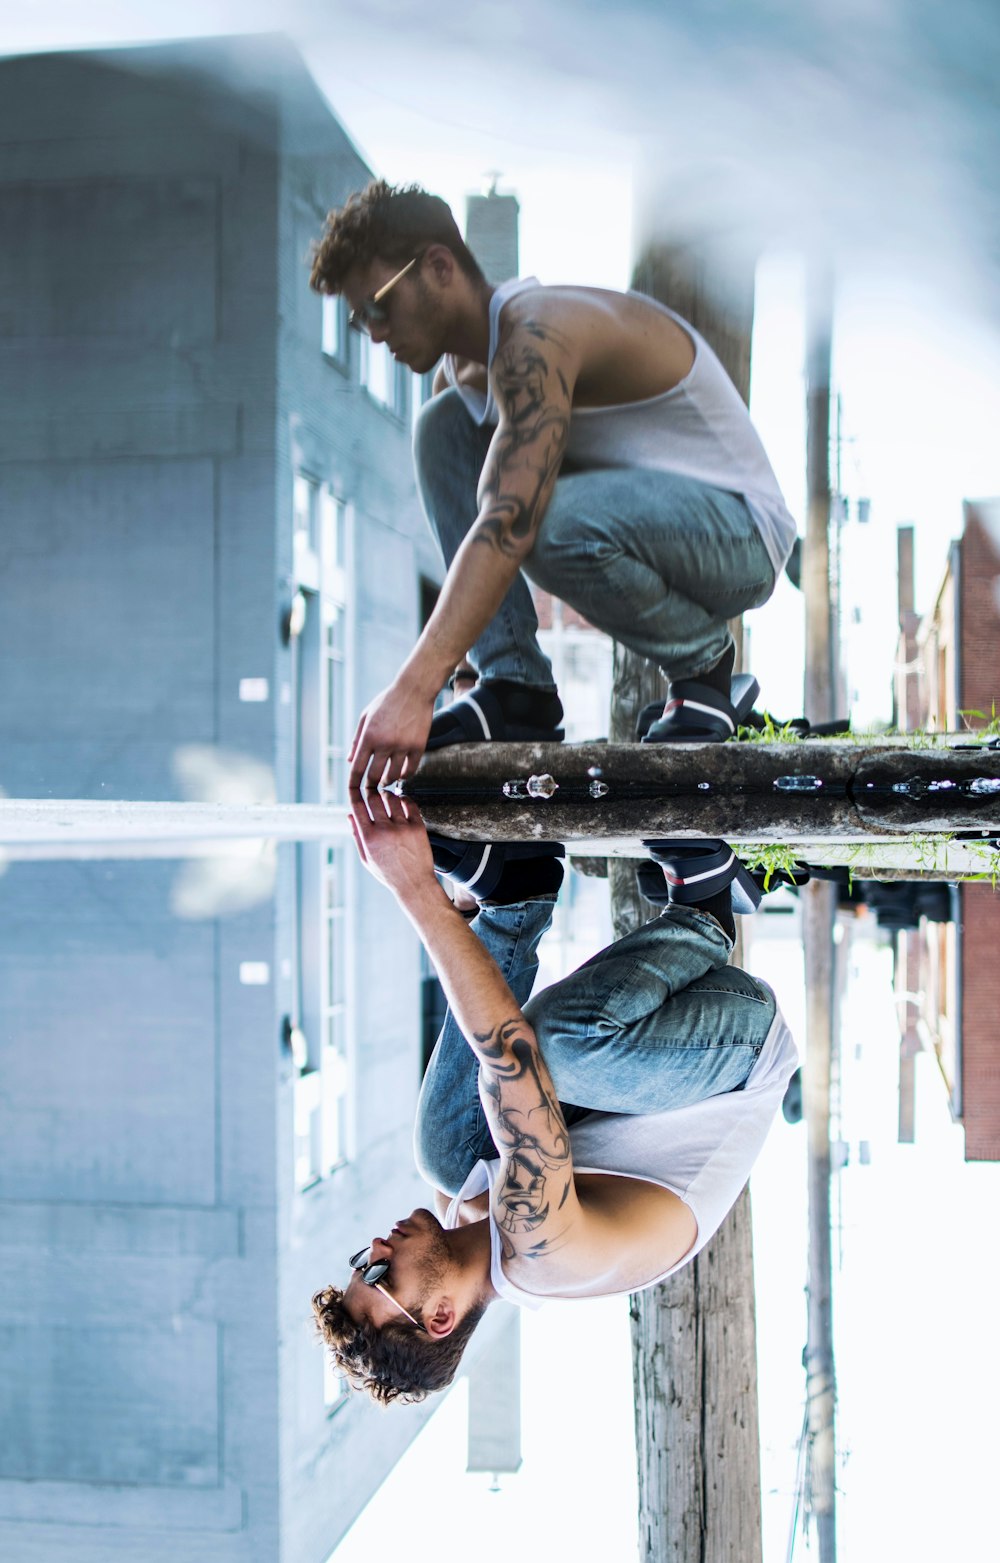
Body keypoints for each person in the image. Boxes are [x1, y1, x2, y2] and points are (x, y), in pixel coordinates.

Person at [312, 793, 797, 1406]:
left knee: (444, 1153)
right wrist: (413, 888)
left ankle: (515, 893)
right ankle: (707, 909)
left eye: (362, 1260)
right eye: (381, 1275)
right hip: (737, 1050)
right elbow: (511, 1056)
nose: (377, 1248)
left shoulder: (466, 1207)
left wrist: (457, 902)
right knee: (544, 1056)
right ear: (438, 1317)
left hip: (658, 1069)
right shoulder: (541, 1253)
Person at [309, 180, 797, 787]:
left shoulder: (535, 337)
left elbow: (507, 524)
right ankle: (515, 689)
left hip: (742, 536)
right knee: (442, 426)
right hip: (657, 525)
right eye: (360, 321)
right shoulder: (463, 379)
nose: (375, 332)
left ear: (438, 266)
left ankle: (706, 669)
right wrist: (465, 678)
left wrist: (413, 689)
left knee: (540, 519)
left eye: (378, 306)